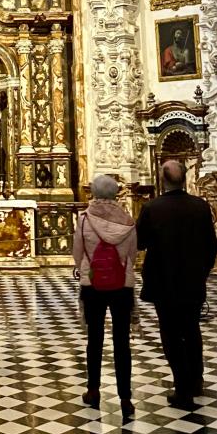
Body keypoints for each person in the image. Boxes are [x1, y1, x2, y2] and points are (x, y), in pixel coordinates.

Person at [136, 159, 217, 409]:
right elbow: (211, 246)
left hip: (163, 283)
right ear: (184, 179)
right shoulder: (200, 206)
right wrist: (203, 272)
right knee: (192, 330)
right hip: (193, 281)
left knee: (170, 334)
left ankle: (182, 387)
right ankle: (196, 380)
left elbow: (140, 242)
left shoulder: (152, 208)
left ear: (163, 180)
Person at [73, 174, 138, 421]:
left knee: (95, 338)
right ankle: (125, 397)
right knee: (122, 341)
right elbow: (132, 254)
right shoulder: (128, 221)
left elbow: (77, 252)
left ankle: (93, 389)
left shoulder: (85, 220)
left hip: (93, 283)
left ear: (93, 193)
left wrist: (87, 266)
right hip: (122, 284)